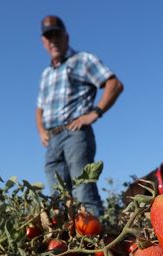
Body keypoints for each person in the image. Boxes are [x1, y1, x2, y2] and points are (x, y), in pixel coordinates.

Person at [36, 15, 123, 217]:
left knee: (83, 193)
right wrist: (41, 130)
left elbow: (114, 84)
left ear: (66, 36)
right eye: (49, 37)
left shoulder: (82, 60)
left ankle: (97, 245)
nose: (53, 41)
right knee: (57, 201)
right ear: (43, 42)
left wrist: (95, 112)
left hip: (74, 135)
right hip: (52, 140)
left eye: (57, 35)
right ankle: (68, 246)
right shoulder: (46, 74)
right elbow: (39, 108)